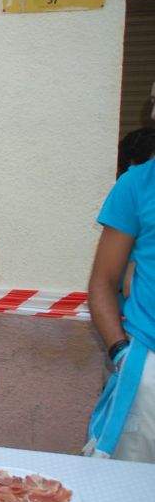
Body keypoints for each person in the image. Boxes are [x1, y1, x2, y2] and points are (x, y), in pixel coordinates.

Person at [84, 157, 155, 461]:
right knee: (129, 486)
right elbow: (103, 282)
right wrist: (121, 353)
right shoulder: (138, 184)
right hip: (148, 370)